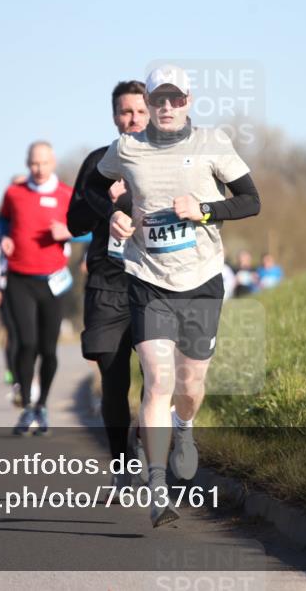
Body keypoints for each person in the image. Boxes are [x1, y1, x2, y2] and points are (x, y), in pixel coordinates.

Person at [85, 64, 261, 526]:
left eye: (174, 99)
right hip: (148, 279)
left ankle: (185, 429)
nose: (165, 107)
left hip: (202, 280)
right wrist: (114, 215)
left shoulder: (212, 144)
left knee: (189, 386)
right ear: (150, 100)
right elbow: (91, 187)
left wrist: (203, 210)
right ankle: (158, 488)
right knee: (157, 382)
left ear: (188, 101)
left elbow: (250, 200)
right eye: (158, 99)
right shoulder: (127, 148)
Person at [67, 80, 149, 487]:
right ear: (114, 116)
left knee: (158, 380)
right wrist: (106, 200)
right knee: (113, 381)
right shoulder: (98, 162)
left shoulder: (168, 161)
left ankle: (149, 442)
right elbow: (74, 222)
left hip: (155, 285)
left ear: (150, 113)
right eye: (124, 112)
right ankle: (122, 466)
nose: (132, 119)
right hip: (109, 284)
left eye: (138, 111)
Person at [0, 141, 77, 436]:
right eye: (33, 163)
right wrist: (5, 238)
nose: (39, 168)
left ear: (53, 162)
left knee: (48, 348)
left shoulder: (67, 194)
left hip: (53, 280)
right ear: (26, 163)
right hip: (19, 278)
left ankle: (41, 404)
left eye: (44, 163)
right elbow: (3, 223)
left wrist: (69, 232)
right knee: (26, 342)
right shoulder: (14, 193)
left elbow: (87, 229)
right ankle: (28, 405)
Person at [0, 173, 33, 406]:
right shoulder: (3, 220)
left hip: (37, 283)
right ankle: (17, 379)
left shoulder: (36, 211)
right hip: (8, 285)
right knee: (14, 334)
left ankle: (27, 377)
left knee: (34, 337)